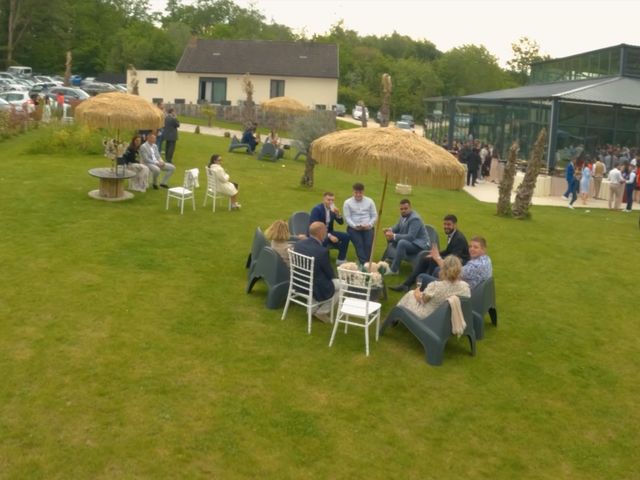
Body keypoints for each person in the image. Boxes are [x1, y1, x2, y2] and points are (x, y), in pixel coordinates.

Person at [390, 214, 469, 293]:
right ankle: (407, 284)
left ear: (455, 225)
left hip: (459, 263)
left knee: (432, 260)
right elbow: (449, 251)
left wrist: (437, 256)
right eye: (445, 224)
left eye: (449, 224)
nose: (446, 226)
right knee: (425, 258)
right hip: (452, 258)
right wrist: (435, 253)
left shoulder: (458, 238)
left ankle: (427, 286)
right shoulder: (453, 235)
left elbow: (454, 257)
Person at [293, 221, 341, 323]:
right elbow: (330, 274)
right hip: (313, 285)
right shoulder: (322, 251)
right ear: (320, 233)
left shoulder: (298, 244)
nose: (326, 232)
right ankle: (322, 311)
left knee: (319, 277)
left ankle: (312, 309)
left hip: (298, 282)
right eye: (325, 230)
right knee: (343, 286)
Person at [395, 255, 470, 318]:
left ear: (443, 269)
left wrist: (416, 292)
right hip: (448, 319)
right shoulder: (465, 287)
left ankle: (395, 316)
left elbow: (422, 301)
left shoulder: (435, 286)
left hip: (428, 318)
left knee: (411, 293)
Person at [417, 236, 492, 290]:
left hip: (459, 292)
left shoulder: (475, 265)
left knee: (422, 277)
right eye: (470, 246)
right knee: (437, 270)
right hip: (466, 285)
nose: (471, 249)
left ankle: (431, 296)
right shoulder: (486, 259)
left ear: (483, 249)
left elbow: (452, 273)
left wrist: (437, 258)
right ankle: (432, 293)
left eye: (476, 247)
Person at [383, 199, 429, 275]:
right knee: (390, 237)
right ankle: (390, 258)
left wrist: (394, 235)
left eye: (405, 208)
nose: (403, 211)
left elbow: (411, 237)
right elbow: (398, 226)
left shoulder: (415, 219)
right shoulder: (403, 216)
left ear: (410, 208)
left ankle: (394, 270)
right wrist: (390, 230)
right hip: (412, 242)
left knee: (402, 242)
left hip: (420, 245)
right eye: (401, 209)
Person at [309, 192, 350, 266]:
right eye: (328, 200)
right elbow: (315, 227)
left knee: (346, 236)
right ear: (323, 199)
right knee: (326, 239)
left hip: (329, 231)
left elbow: (341, 222)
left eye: (332, 200)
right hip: (317, 233)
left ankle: (341, 259)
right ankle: (322, 260)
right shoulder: (317, 209)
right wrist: (329, 236)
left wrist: (338, 214)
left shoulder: (332, 209)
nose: (331, 202)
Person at [343, 182, 378, 264]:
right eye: (356, 192)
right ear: (353, 192)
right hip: (353, 228)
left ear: (363, 192)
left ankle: (366, 262)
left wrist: (369, 224)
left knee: (368, 244)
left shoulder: (370, 201)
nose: (358, 195)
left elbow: (374, 215)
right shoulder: (347, 203)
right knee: (359, 244)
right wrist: (355, 226)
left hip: (368, 227)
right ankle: (364, 263)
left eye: (360, 193)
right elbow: (347, 218)